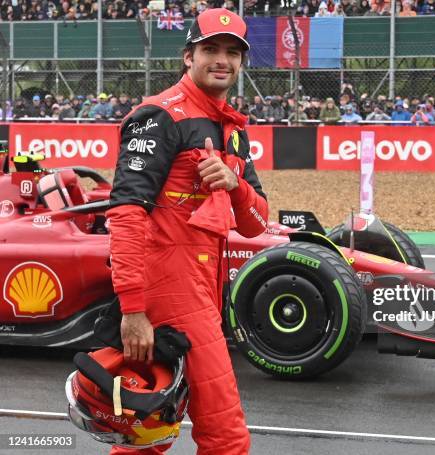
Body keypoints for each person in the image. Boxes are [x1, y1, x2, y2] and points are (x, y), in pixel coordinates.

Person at [106, 8, 268, 455]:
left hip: (203, 287)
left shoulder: (232, 129)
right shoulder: (158, 116)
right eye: (210, 49)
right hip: (170, 290)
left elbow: (255, 225)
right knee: (226, 436)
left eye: (232, 52)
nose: (222, 60)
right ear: (187, 56)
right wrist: (133, 309)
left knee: (148, 428)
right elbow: (124, 213)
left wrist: (234, 186)